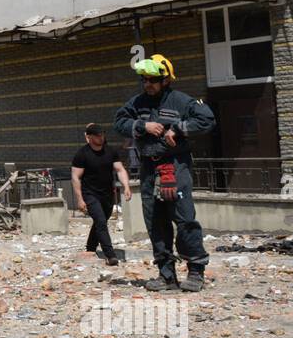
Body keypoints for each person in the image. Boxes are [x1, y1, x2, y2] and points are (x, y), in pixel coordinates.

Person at [113, 54, 214, 292]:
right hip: (149, 168)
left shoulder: (181, 101)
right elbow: (119, 122)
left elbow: (207, 120)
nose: (147, 84)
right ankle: (166, 275)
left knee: (185, 219)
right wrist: (141, 126)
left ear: (166, 79)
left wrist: (179, 128)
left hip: (175, 166)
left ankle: (196, 272)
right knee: (155, 222)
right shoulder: (137, 103)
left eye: (153, 80)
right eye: (144, 79)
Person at [71, 123, 132, 265]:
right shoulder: (82, 154)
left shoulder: (110, 151)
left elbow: (120, 170)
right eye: (97, 135)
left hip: (106, 194)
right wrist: (79, 199)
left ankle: (90, 248)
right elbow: (75, 177)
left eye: (102, 134)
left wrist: (126, 186)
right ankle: (110, 255)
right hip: (90, 194)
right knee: (100, 222)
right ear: (89, 137)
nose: (101, 137)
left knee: (101, 221)